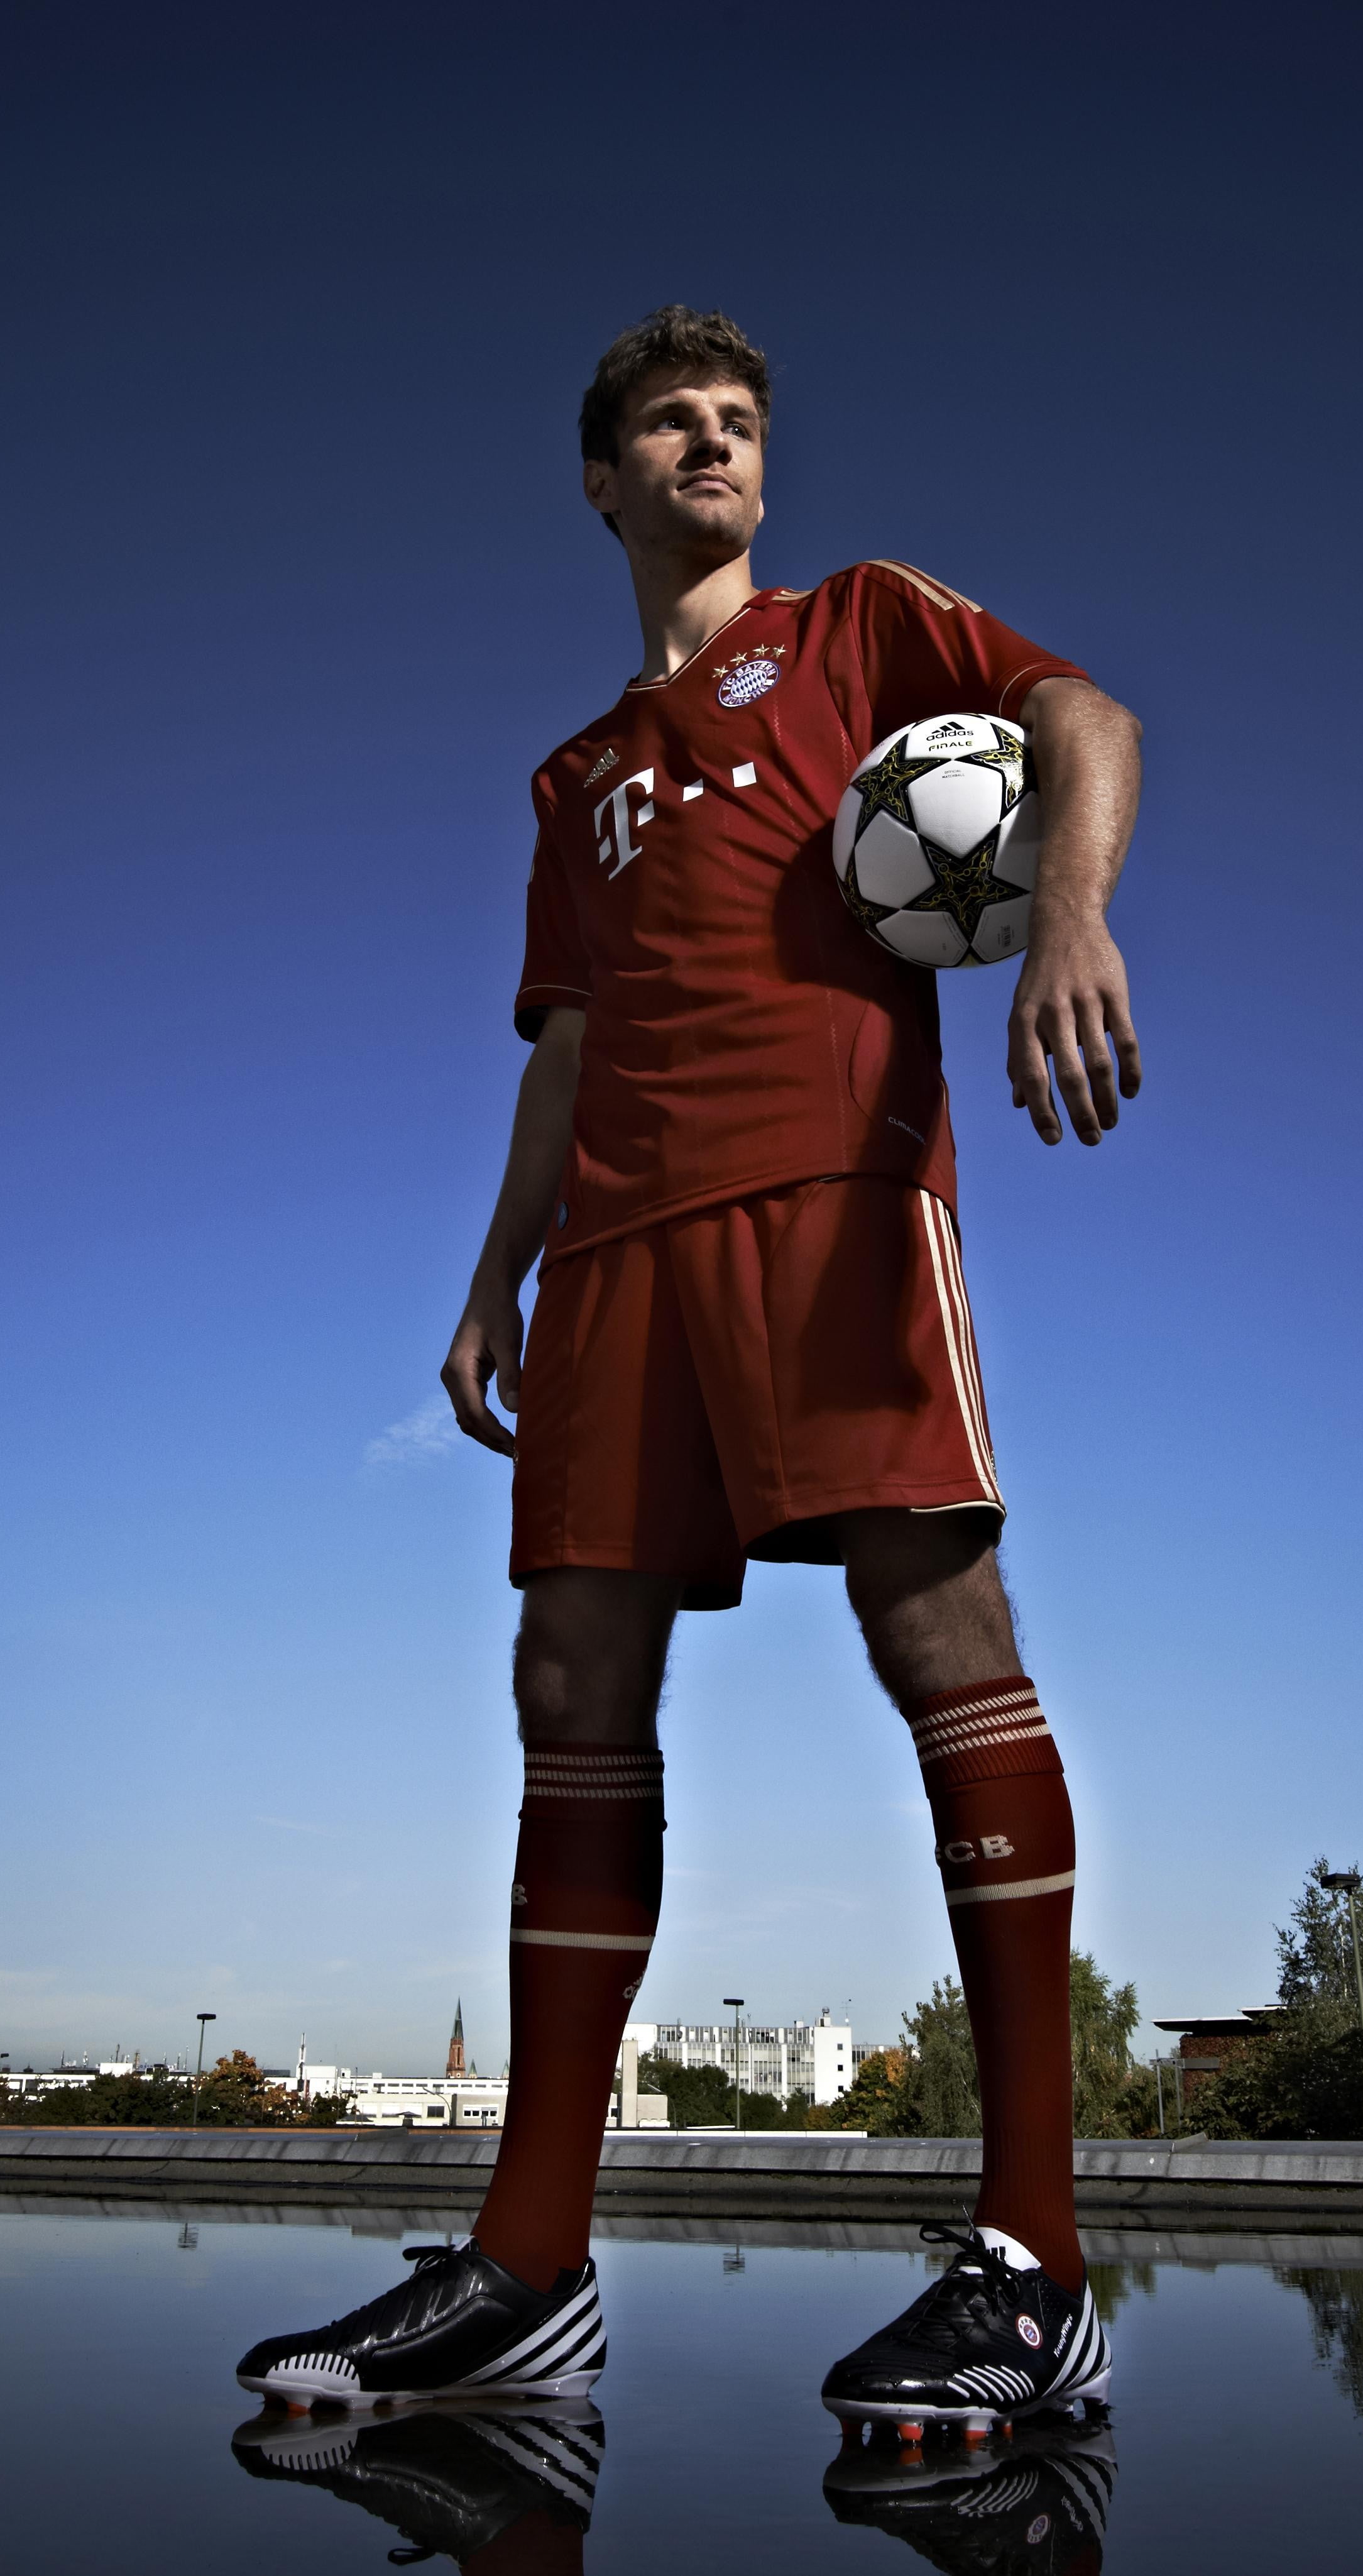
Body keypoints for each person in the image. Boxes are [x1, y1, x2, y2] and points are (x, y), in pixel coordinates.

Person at [238, 306, 1144, 2436]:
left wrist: (1077, 916)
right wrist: (497, 1275)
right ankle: (530, 2267)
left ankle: (1038, 2262)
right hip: (621, 1252)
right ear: (603, 478)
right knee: (568, 1673)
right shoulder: (576, 779)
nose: (719, 441)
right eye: (675, 421)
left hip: (831, 1187)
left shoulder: (857, 628)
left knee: (941, 1624)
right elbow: (565, 1040)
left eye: (741, 421)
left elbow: (1081, 710)